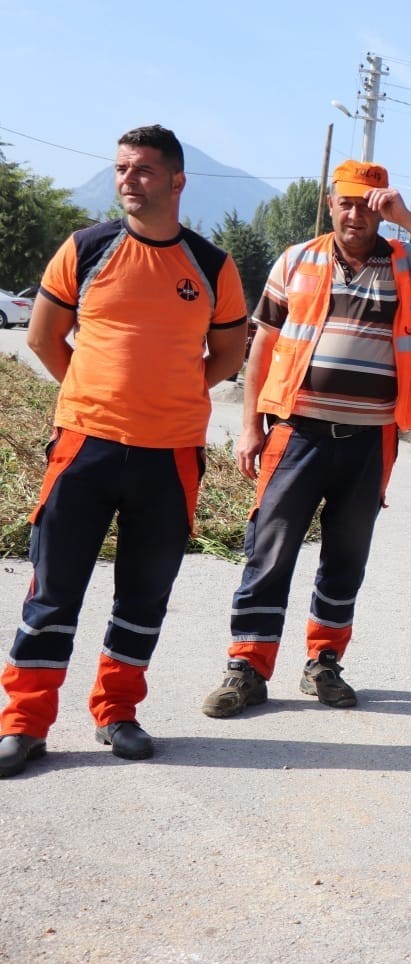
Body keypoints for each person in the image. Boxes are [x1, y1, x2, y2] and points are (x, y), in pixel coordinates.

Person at [0, 125, 248, 776]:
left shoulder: (212, 265)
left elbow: (228, 352)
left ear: (176, 181)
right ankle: (24, 724)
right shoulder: (86, 249)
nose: (128, 179)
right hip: (85, 444)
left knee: (143, 594)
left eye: (142, 169)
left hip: (170, 455)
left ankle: (117, 713)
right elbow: (45, 338)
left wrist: (170, 393)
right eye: (120, 168)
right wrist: (95, 392)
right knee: (53, 592)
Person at [199, 160, 411, 717]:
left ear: (382, 205)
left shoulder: (407, 262)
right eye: (346, 202)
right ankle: (247, 669)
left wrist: (405, 217)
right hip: (296, 431)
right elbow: (263, 346)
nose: (356, 213)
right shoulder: (297, 260)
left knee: (346, 554)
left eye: (368, 202)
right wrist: (251, 425)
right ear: (331, 204)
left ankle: (323, 663)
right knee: (270, 549)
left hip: (371, 438)